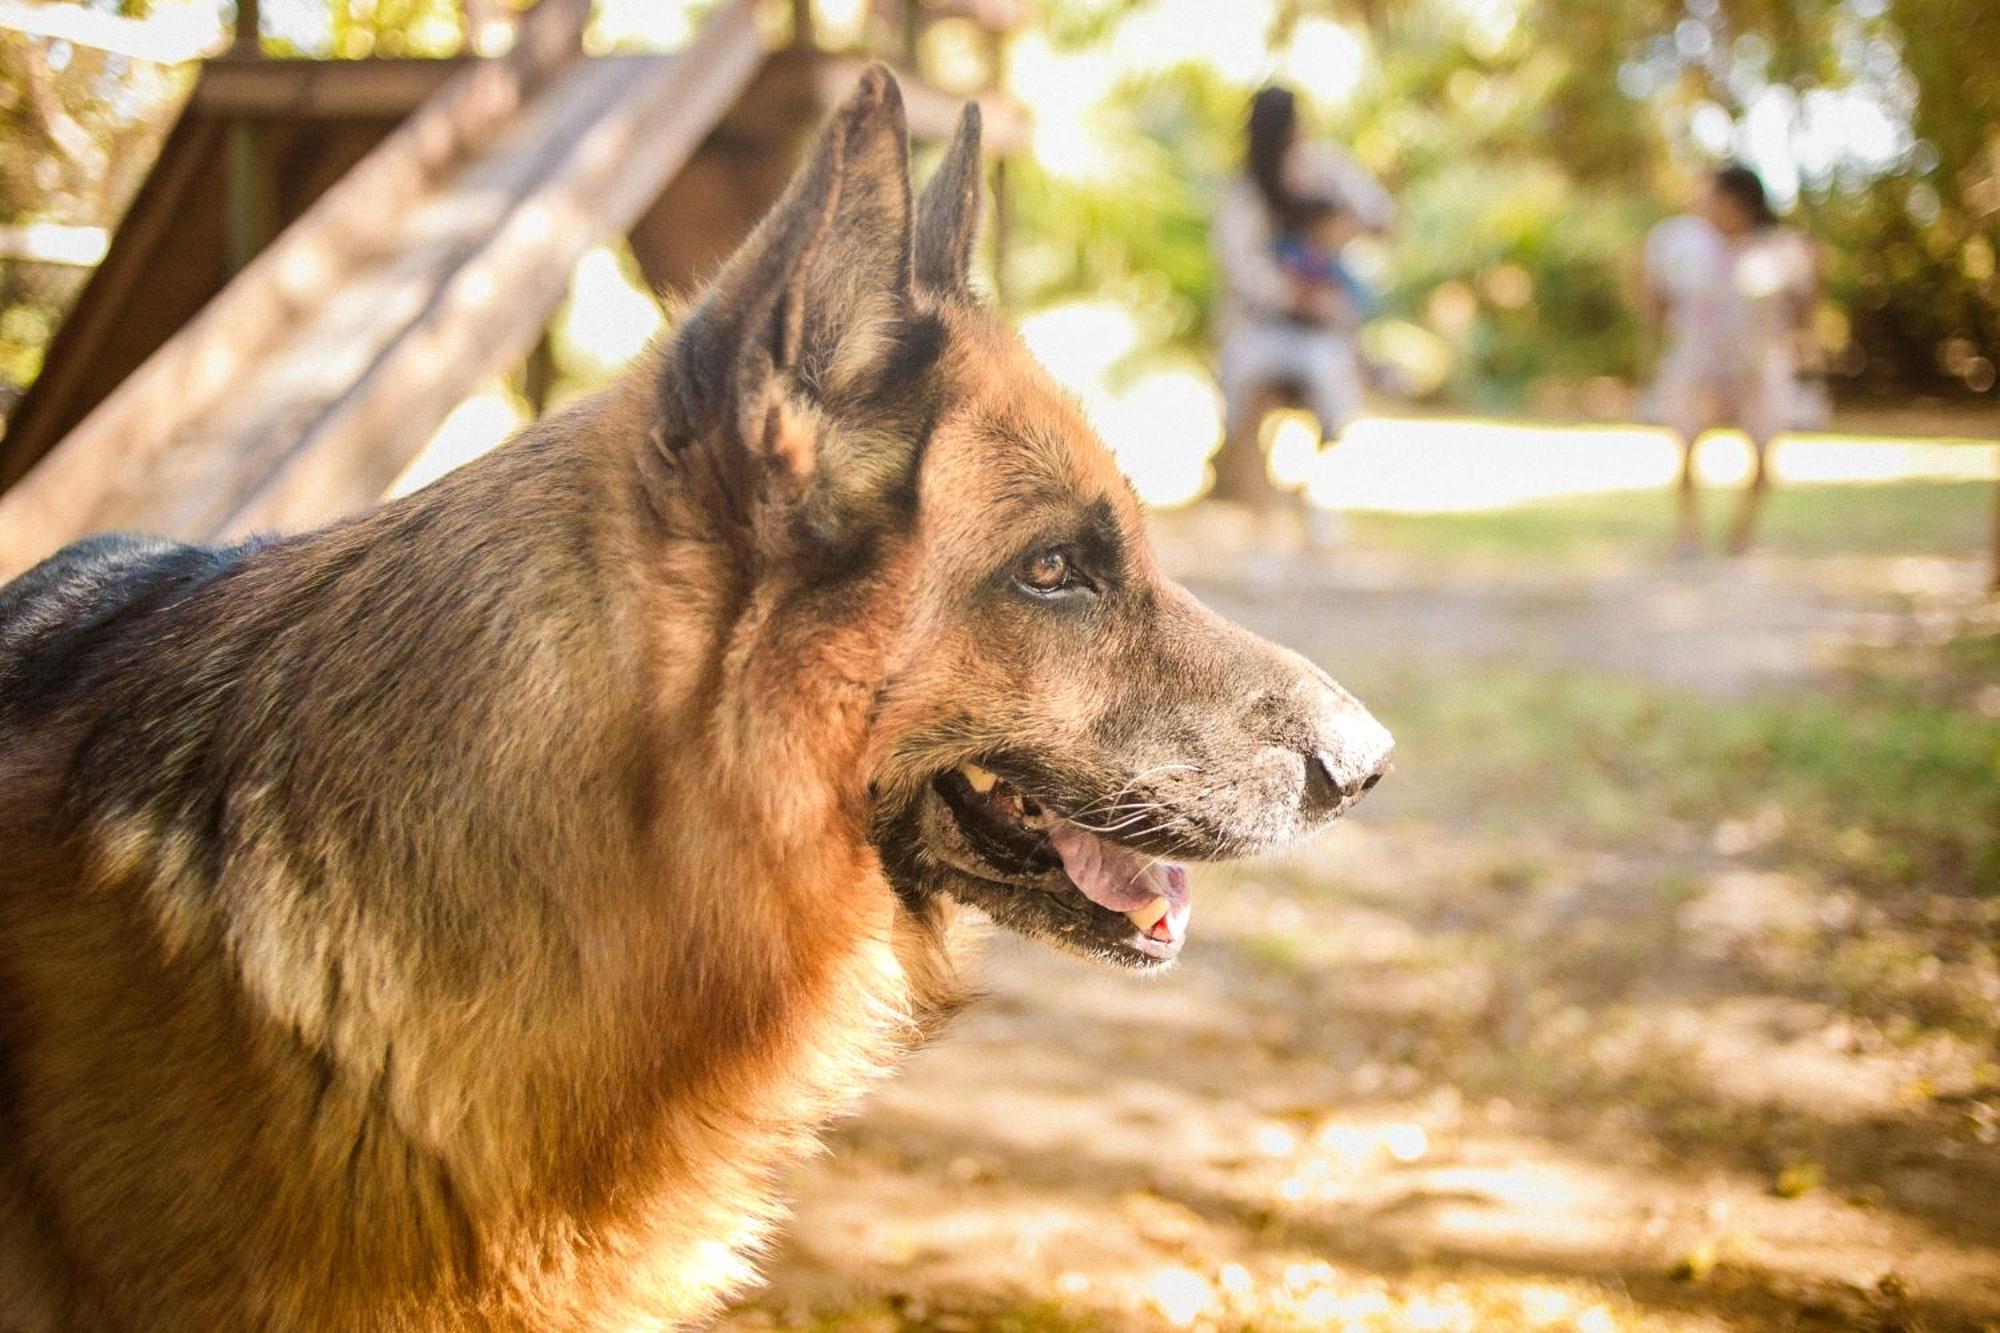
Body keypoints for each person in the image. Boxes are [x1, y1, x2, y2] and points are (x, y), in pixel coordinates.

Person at [1213, 85, 1393, 505]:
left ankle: (1313, 501)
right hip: (1264, 324)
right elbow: (1244, 271)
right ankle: (1258, 508)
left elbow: (1379, 215)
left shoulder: (1325, 168)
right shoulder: (1247, 192)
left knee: (1333, 389)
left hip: (1322, 326)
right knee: (1244, 397)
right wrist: (1297, 296)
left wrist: (1335, 230)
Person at [1642, 164, 1820, 555]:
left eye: (1714, 197)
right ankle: (1690, 532)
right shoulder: (1678, 241)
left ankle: (1743, 535)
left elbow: (1802, 309)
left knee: (1763, 448)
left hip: (1757, 361)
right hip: (1695, 359)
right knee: (1686, 444)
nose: (1704, 204)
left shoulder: (1780, 249)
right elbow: (1655, 296)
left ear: (1741, 205)